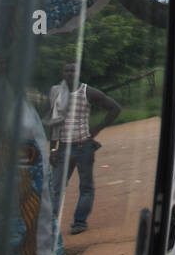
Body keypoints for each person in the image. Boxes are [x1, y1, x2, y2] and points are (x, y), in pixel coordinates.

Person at [47, 60, 121, 234]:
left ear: (78, 73)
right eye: (67, 70)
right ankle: (51, 225)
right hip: (63, 148)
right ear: (62, 73)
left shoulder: (88, 92)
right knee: (56, 188)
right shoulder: (57, 93)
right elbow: (54, 123)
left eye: (73, 70)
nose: (70, 73)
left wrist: (96, 128)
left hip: (83, 147)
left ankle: (79, 222)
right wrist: (53, 149)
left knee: (85, 186)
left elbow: (115, 108)